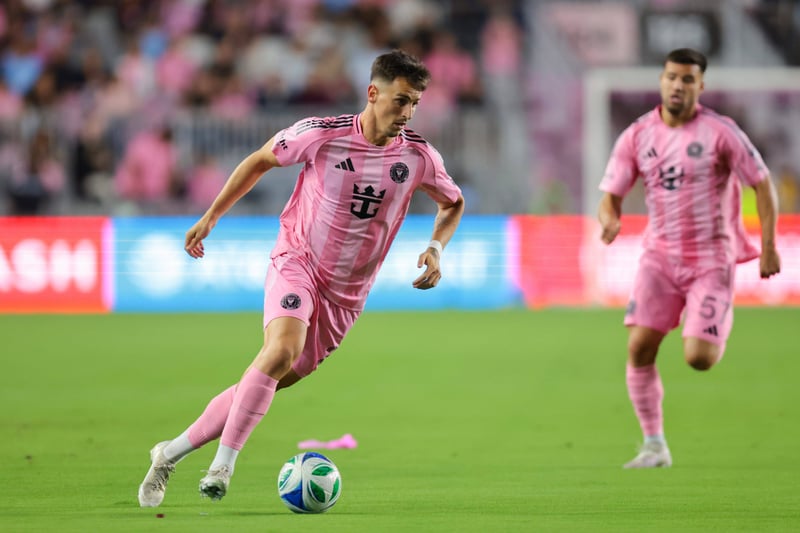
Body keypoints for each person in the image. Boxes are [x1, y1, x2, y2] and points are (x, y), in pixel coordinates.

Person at [138, 49, 465, 506]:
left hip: (346, 296)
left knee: (269, 378)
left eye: (414, 103)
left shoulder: (418, 157)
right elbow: (259, 160)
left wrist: (435, 248)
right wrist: (211, 216)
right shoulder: (320, 135)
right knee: (280, 350)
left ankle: (168, 454)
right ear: (373, 93)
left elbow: (452, 202)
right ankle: (222, 467)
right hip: (299, 260)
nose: (407, 113)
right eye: (400, 101)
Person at [597, 48, 781, 469]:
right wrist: (609, 219)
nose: (677, 85)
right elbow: (610, 197)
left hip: (711, 259)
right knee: (639, 347)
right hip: (659, 259)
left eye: (687, 79)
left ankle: (707, 314)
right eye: (671, 77)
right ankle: (654, 445)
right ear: (661, 81)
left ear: (701, 85)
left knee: (700, 358)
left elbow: (762, 183)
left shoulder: (721, 132)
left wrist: (769, 246)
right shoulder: (637, 136)